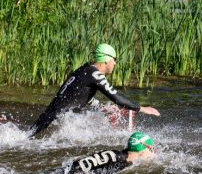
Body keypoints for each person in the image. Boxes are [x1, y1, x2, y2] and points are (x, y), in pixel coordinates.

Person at [29, 43, 160, 136]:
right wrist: (142, 108)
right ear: (107, 60)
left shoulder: (84, 69)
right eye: (114, 60)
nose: (115, 63)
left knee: (29, 136)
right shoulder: (95, 74)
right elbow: (117, 98)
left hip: (50, 117)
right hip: (57, 122)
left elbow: (77, 94)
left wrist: (101, 107)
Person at [66, 131, 156, 174]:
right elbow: (77, 166)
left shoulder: (127, 162)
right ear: (143, 148)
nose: (153, 152)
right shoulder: (115, 156)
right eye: (152, 148)